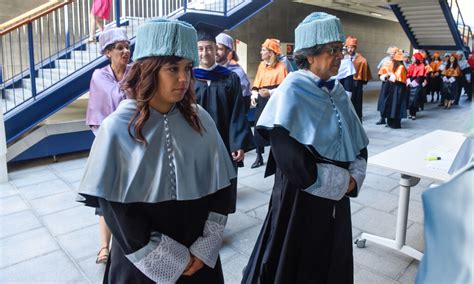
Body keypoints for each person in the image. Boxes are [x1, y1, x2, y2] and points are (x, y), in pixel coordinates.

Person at [77, 18, 237, 283]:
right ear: (149, 70)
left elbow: (222, 189)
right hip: (141, 262)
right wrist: (168, 258)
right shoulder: (117, 127)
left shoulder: (201, 120)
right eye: (172, 69)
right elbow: (115, 209)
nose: (184, 78)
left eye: (187, 68)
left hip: (199, 256)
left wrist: (205, 246)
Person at [242, 12, 369, 283]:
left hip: (338, 198)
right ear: (310, 55)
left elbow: (359, 142)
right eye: (333, 50)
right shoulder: (291, 91)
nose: (340, 56)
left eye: (341, 50)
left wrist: (355, 177)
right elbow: (292, 160)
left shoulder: (337, 92)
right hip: (299, 201)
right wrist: (342, 182)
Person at [85, 27, 131, 264]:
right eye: (119, 47)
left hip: (134, 143)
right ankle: (104, 247)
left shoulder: (136, 71)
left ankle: (128, 243)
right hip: (108, 144)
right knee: (106, 197)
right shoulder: (99, 76)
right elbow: (116, 97)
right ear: (107, 52)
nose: (125, 51)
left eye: (127, 46)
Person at [193, 25, 255, 177]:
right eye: (200, 49)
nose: (205, 53)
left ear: (215, 50)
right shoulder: (189, 78)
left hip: (225, 142)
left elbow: (238, 112)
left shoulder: (230, 77)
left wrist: (238, 143)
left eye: (209, 48)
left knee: (225, 184)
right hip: (196, 142)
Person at [250, 38, 288, 168]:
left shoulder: (282, 67)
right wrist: (254, 94)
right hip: (261, 99)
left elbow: (284, 88)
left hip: (274, 99)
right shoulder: (262, 65)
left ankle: (276, 156)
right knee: (258, 127)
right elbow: (256, 83)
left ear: (271, 53)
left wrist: (270, 93)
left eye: (263, 50)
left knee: (273, 129)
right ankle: (259, 156)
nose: (261, 52)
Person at [215, 33, 253, 113]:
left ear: (228, 51)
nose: (216, 52)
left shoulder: (238, 73)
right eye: (214, 48)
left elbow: (244, 103)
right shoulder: (208, 70)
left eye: (220, 49)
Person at [344, 36, 372, 121]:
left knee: (357, 102)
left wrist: (358, 82)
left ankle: (358, 117)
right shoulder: (343, 59)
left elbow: (365, 76)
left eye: (352, 47)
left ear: (355, 48)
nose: (350, 49)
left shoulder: (362, 60)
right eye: (348, 47)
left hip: (357, 84)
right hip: (345, 83)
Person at [382, 50, 407, 128]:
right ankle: (390, 122)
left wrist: (390, 75)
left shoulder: (401, 67)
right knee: (391, 105)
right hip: (393, 88)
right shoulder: (395, 65)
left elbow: (397, 78)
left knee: (396, 106)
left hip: (398, 90)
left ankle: (395, 123)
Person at [376, 46, 398, 125]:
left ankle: (389, 119)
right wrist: (384, 76)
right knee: (383, 100)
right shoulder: (385, 62)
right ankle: (382, 118)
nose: (392, 55)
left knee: (391, 102)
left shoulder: (399, 63)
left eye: (394, 54)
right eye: (391, 54)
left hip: (394, 85)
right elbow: (380, 72)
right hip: (386, 84)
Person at [406, 52, 427, 120]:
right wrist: (409, 82)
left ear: (417, 58)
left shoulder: (422, 66)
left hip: (417, 84)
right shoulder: (411, 66)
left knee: (414, 100)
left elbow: (420, 77)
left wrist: (413, 83)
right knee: (409, 99)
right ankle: (410, 113)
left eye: (413, 58)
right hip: (410, 84)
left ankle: (413, 113)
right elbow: (408, 75)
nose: (412, 59)